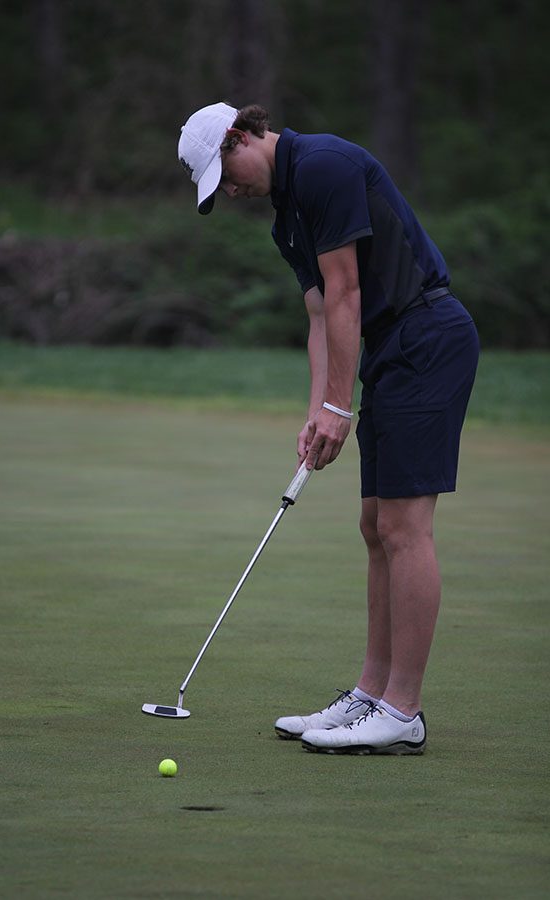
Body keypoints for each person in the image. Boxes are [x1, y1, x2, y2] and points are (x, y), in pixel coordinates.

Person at [177, 101, 479, 755]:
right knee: (375, 526)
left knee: (403, 527)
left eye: (224, 174)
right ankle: (369, 696)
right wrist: (318, 412)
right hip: (389, 352)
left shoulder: (323, 166)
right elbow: (319, 316)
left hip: (426, 337)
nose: (229, 191)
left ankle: (403, 709)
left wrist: (341, 407)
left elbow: (347, 292)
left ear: (241, 135)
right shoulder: (287, 217)